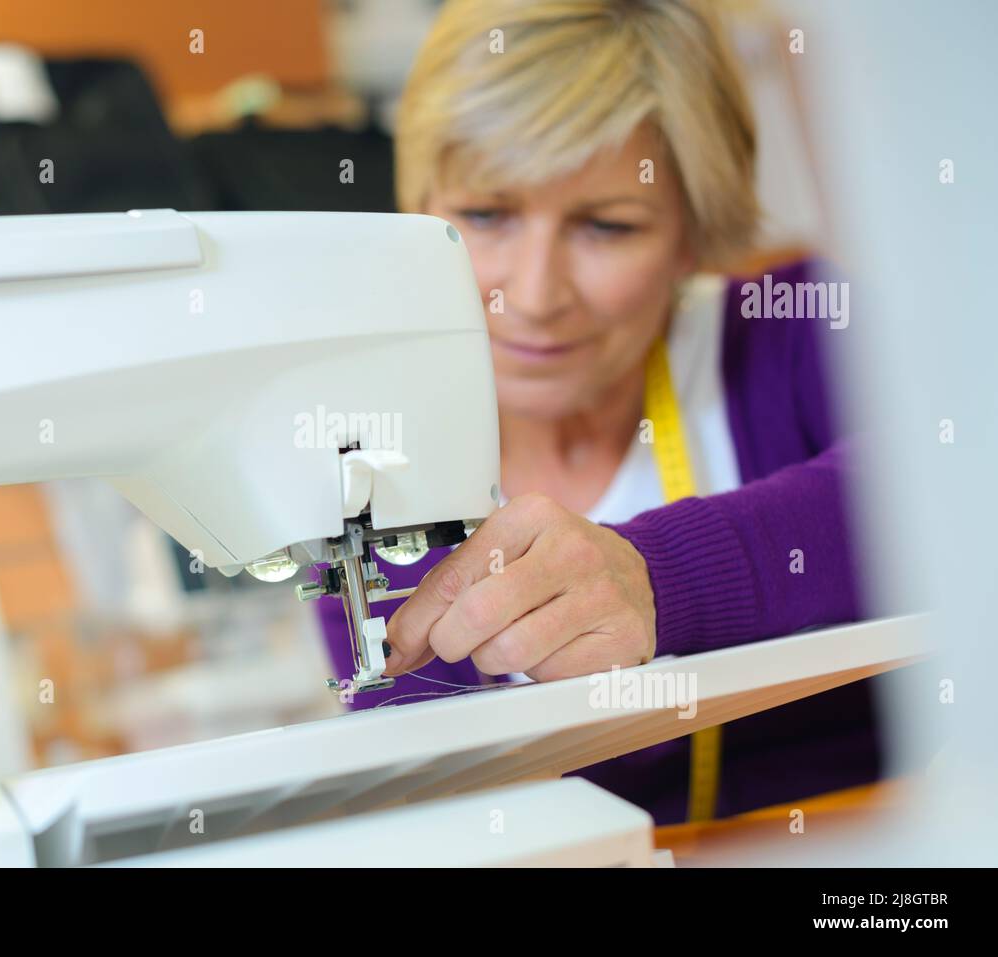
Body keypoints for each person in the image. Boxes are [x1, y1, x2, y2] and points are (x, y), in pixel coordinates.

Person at [315, 0, 880, 825]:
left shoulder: (792, 331)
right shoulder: (371, 458)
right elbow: (446, 810)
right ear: (419, 208)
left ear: (693, 232)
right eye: (485, 215)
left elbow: (956, 472)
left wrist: (657, 579)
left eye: (607, 226)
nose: (536, 294)